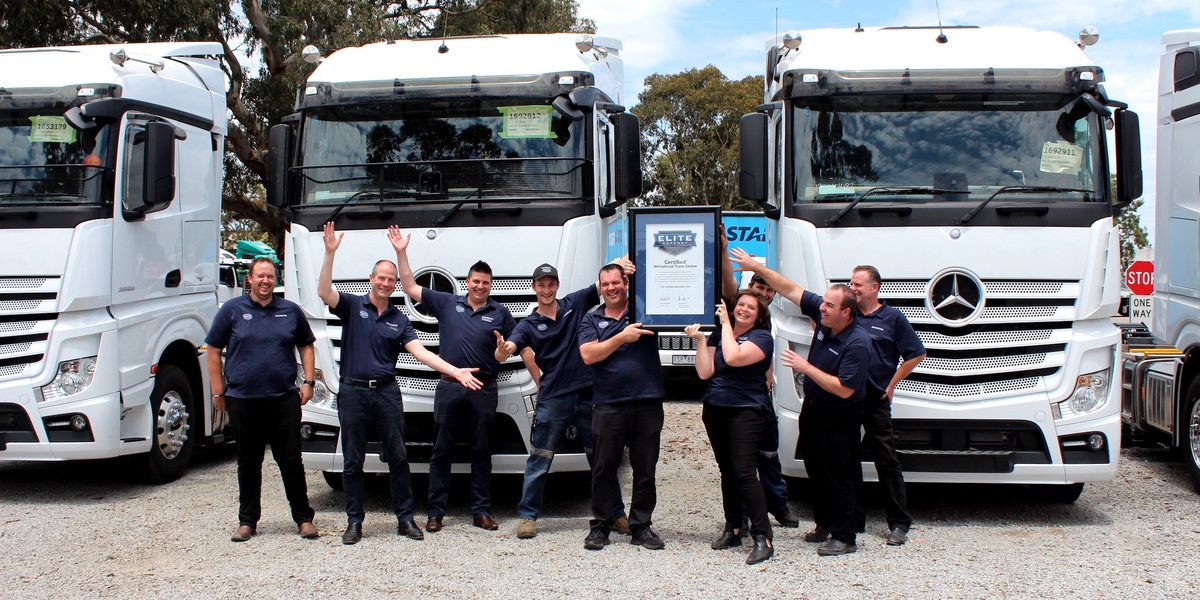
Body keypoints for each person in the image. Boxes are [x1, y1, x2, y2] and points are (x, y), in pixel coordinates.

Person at [319, 222, 482, 545]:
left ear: (394, 285)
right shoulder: (353, 306)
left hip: (386, 393)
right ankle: (354, 521)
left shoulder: (399, 320)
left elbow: (422, 353)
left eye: (391, 279)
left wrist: (455, 370)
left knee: (398, 457)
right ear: (371, 280)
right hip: (352, 391)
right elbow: (324, 292)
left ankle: (405, 518)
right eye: (380, 277)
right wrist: (329, 252)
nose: (385, 283)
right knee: (352, 461)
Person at [731, 250, 872, 556]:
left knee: (838, 473)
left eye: (829, 306)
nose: (821, 308)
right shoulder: (827, 320)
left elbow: (845, 389)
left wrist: (805, 367)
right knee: (817, 470)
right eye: (822, 302)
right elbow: (790, 289)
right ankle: (825, 525)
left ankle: (845, 536)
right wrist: (757, 268)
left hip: (840, 416)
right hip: (815, 410)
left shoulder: (857, 342)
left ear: (846, 313)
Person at [390, 226, 516, 533]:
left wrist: (503, 351)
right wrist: (401, 251)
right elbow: (408, 286)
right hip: (449, 386)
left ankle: (481, 511)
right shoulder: (448, 302)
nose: (480, 286)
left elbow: (511, 348)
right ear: (467, 282)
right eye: (475, 281)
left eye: (485, 283)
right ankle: (436, 512)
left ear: (491, 285)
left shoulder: (501, 312)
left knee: (481, 451)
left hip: (484, 389)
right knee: (441, 450)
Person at [495, 262, 632, 539]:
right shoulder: (528, 324)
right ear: (534, 288)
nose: (546, 289)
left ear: (557, 286)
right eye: (541, 285)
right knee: (540, 458)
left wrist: (627, 257)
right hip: (553, 399)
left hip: (586, 394)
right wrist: (501, 350)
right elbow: (506, 350)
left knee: (601, 460)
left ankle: (617, 514)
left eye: (551, 284)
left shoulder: (575, 303)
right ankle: (527, 516)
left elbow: (605, 279)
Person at [206, 257, 319, 543]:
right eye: (260, 276)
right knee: (248, 461)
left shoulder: (290, 311)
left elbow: (306, 346)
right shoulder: (232, 310)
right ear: (250, 280)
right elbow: (213, 350)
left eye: (270, 276)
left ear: (275, 279)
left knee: (291, 459)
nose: (265, 281)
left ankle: (304, 518)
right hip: (243, 399)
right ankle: (247, 521)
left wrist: (308, 381)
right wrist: (218, 391)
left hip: (283, 398)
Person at [578, 263, 666, 551]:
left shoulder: (645, 310)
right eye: (605, 285)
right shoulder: (591, 319)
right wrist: (621, 337)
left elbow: (665, 290)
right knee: (604, 468)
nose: (611, 288)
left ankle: (641, 527)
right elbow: (589, 355)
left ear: (625, 283)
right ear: (600, 287)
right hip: (608, 404)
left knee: (645, 469)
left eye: (616, 282)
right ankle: (600, 525)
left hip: (646, 402)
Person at [685, 290, 776, 565]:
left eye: (751, 307)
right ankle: (733, 528)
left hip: (746, 410)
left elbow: (735, 357)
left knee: (746, 473)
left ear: (759, 315)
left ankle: (764, 537)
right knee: (727, 472)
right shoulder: (718, 335)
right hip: (715, 408)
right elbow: (705, 372)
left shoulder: (762, 338)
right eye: (741, 305)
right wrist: (701, 340)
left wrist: (726, 325)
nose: (744, 309)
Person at [721, 236, 798, 530]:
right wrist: (725, 251)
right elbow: (729, 283)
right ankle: (741, 516)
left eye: (769, 288)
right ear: (749, 287)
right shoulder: (738, 312)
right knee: (740, 463)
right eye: (759, 286)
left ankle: (778, 507)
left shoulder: (775, 320)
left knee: (768, 456)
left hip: (766, 398)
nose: (764, 292)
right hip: (740, 399)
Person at [850, 265, 925, 546]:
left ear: (874, 287)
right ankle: (854, 520)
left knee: (886, 460)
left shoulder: (892, 318)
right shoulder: (849, 315)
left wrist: (892, 384)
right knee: (848, 459)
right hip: (848, 398)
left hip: (876, 400)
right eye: (851, 284)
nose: (853, 289)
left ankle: (898, 522)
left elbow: (916, 353)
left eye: (858, 284)